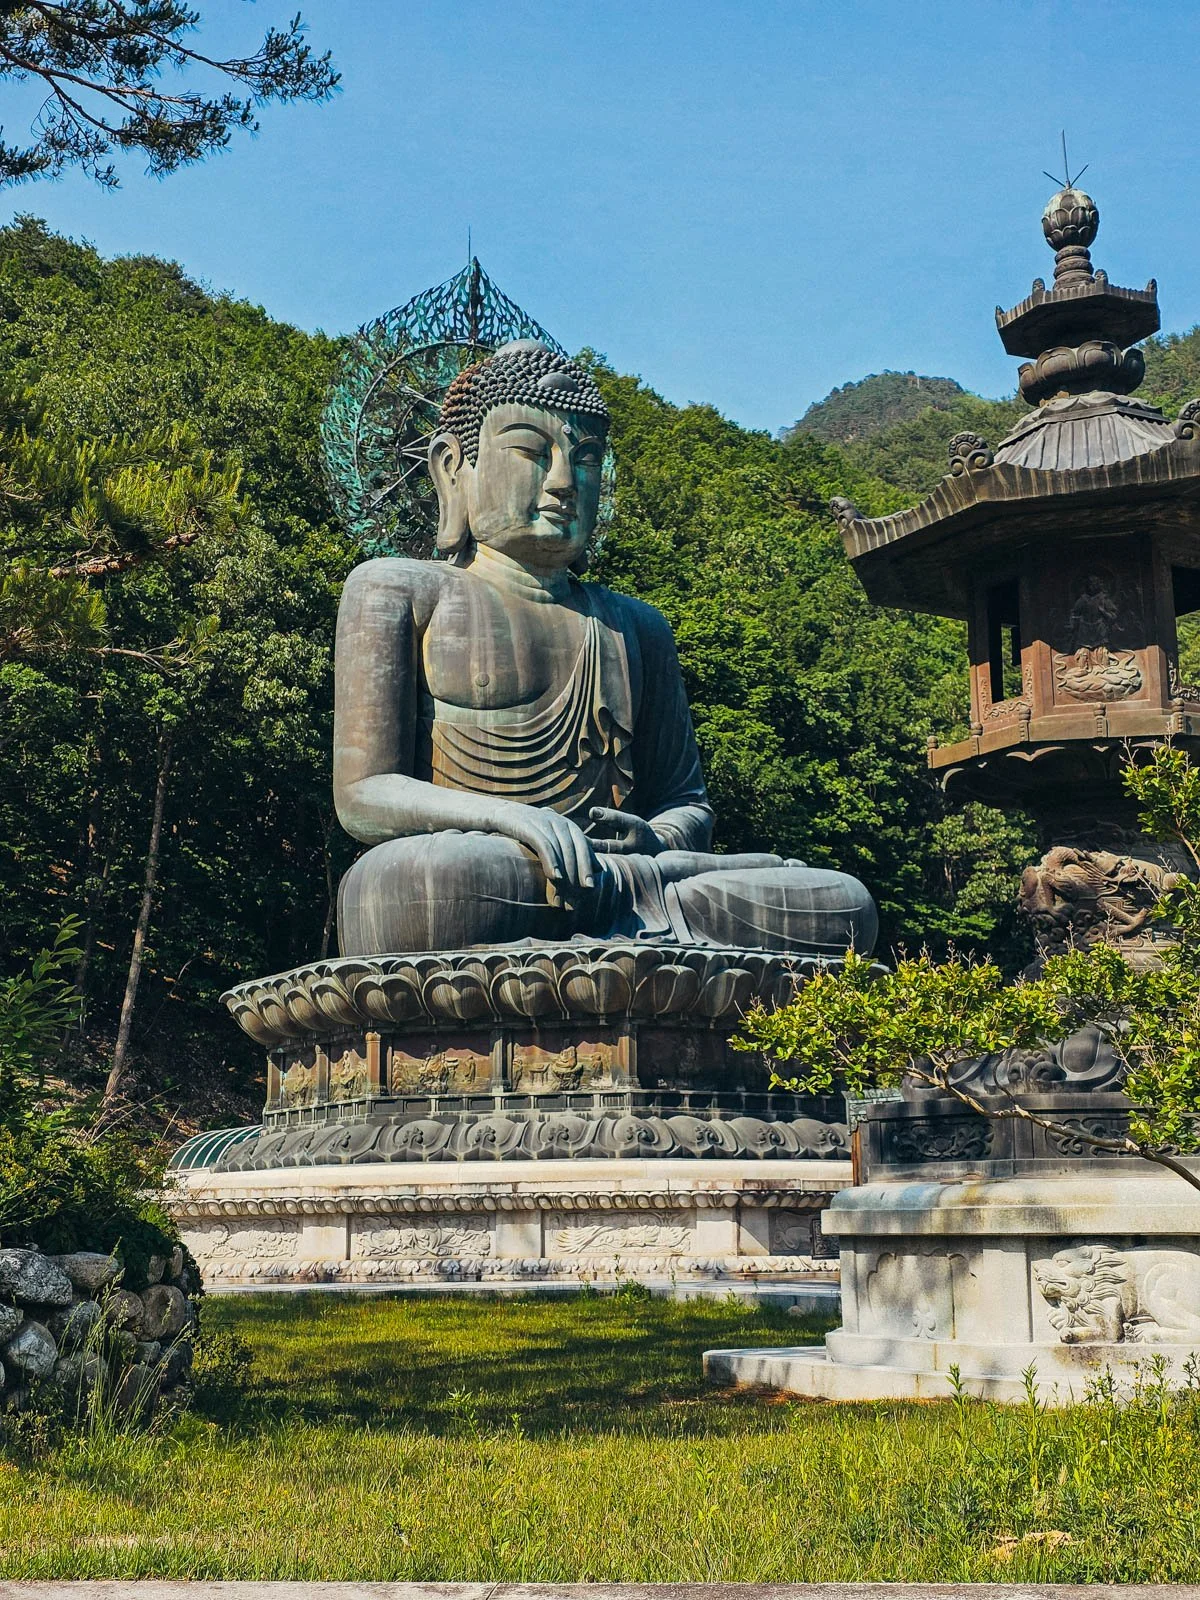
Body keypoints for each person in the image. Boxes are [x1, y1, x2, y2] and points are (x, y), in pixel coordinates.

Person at [333, 340, 877, 957]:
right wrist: (511, 821)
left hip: (631, 880)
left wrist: (655, 838)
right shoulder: (395, 588)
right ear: (453, 467)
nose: (564, 481)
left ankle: (622, 936)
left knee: (840, 900)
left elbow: (686, 804)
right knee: (427, 882)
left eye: (585, 458)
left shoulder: (634, 626)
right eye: (530, 451)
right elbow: (363, 793)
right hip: (489, 871)